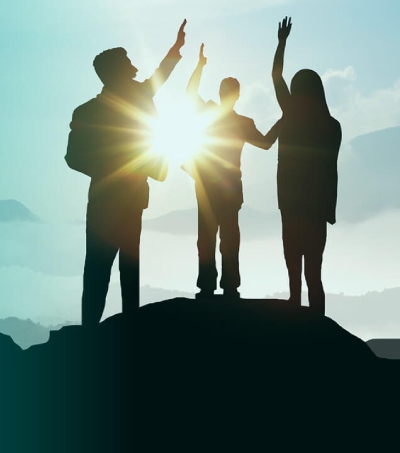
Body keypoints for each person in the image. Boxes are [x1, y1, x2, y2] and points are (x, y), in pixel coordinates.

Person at [72, 19, 187, 325]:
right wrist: (116, 169)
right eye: (128, 64)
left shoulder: (133, 97)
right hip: (111, 199)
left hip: (127, 197)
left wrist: (176, 50)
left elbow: (159, 77)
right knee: (103, 267)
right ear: (115, 72)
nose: (134, 68)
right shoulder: (87, 112)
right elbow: (74, 157)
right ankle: (96, 329)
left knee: (125, 265)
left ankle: (122, 326)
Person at [184, 44, 281, 299]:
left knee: (207, 238)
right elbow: (267, 143)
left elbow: (190, 93)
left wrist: (200, 66)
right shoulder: (242, 123)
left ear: (221, 92)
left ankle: (208, 286)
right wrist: (284, 118)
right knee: (228, 238)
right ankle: (229, 286)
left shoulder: (208, 113)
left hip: (207, 186)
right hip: (228, 188)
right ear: (237, 96)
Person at [272, 16, 342, 315]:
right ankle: (319, 326)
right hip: (316, 209)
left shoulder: (290, 116)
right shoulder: (332, 126)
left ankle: (295, 320)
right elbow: (331, 170)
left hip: (291, 205)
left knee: (294, 273)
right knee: (315, 272)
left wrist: (281, 43)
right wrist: (330, 209)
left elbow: (276, 78)